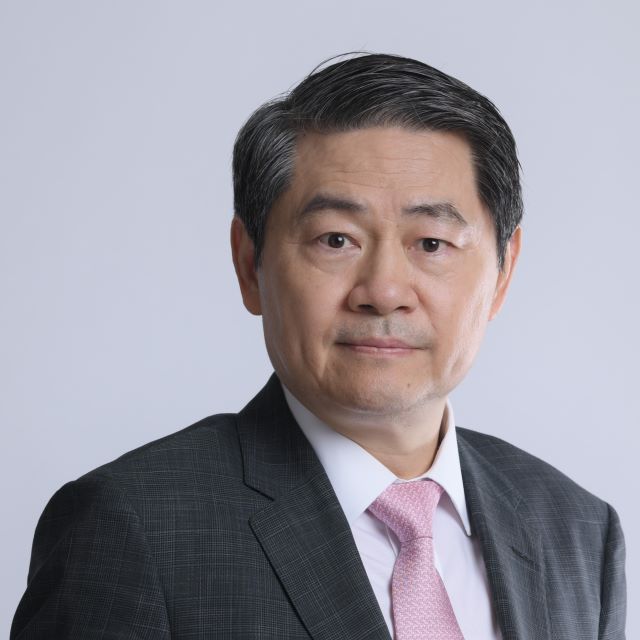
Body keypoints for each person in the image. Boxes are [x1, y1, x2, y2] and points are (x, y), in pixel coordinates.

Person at [11, 53, 626, 640]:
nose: (384, 292)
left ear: (503, 271)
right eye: (336, 239)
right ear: (249, 264)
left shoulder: (578, 531)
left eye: (431, 243)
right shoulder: (133, 528)